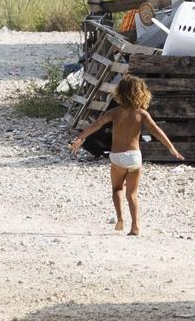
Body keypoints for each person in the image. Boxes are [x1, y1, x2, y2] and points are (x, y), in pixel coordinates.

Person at [69, 77, 183, 236]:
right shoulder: (142, 114)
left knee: (117, 189)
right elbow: (157, 131)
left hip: (117, 157)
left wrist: (80, 138)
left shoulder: (114, 112)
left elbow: (97, 125)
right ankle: (135, 226)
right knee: (132, 194)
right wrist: (171, 148)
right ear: (142, 93)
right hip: (134, 157)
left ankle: (120, 219)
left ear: (120, 93)